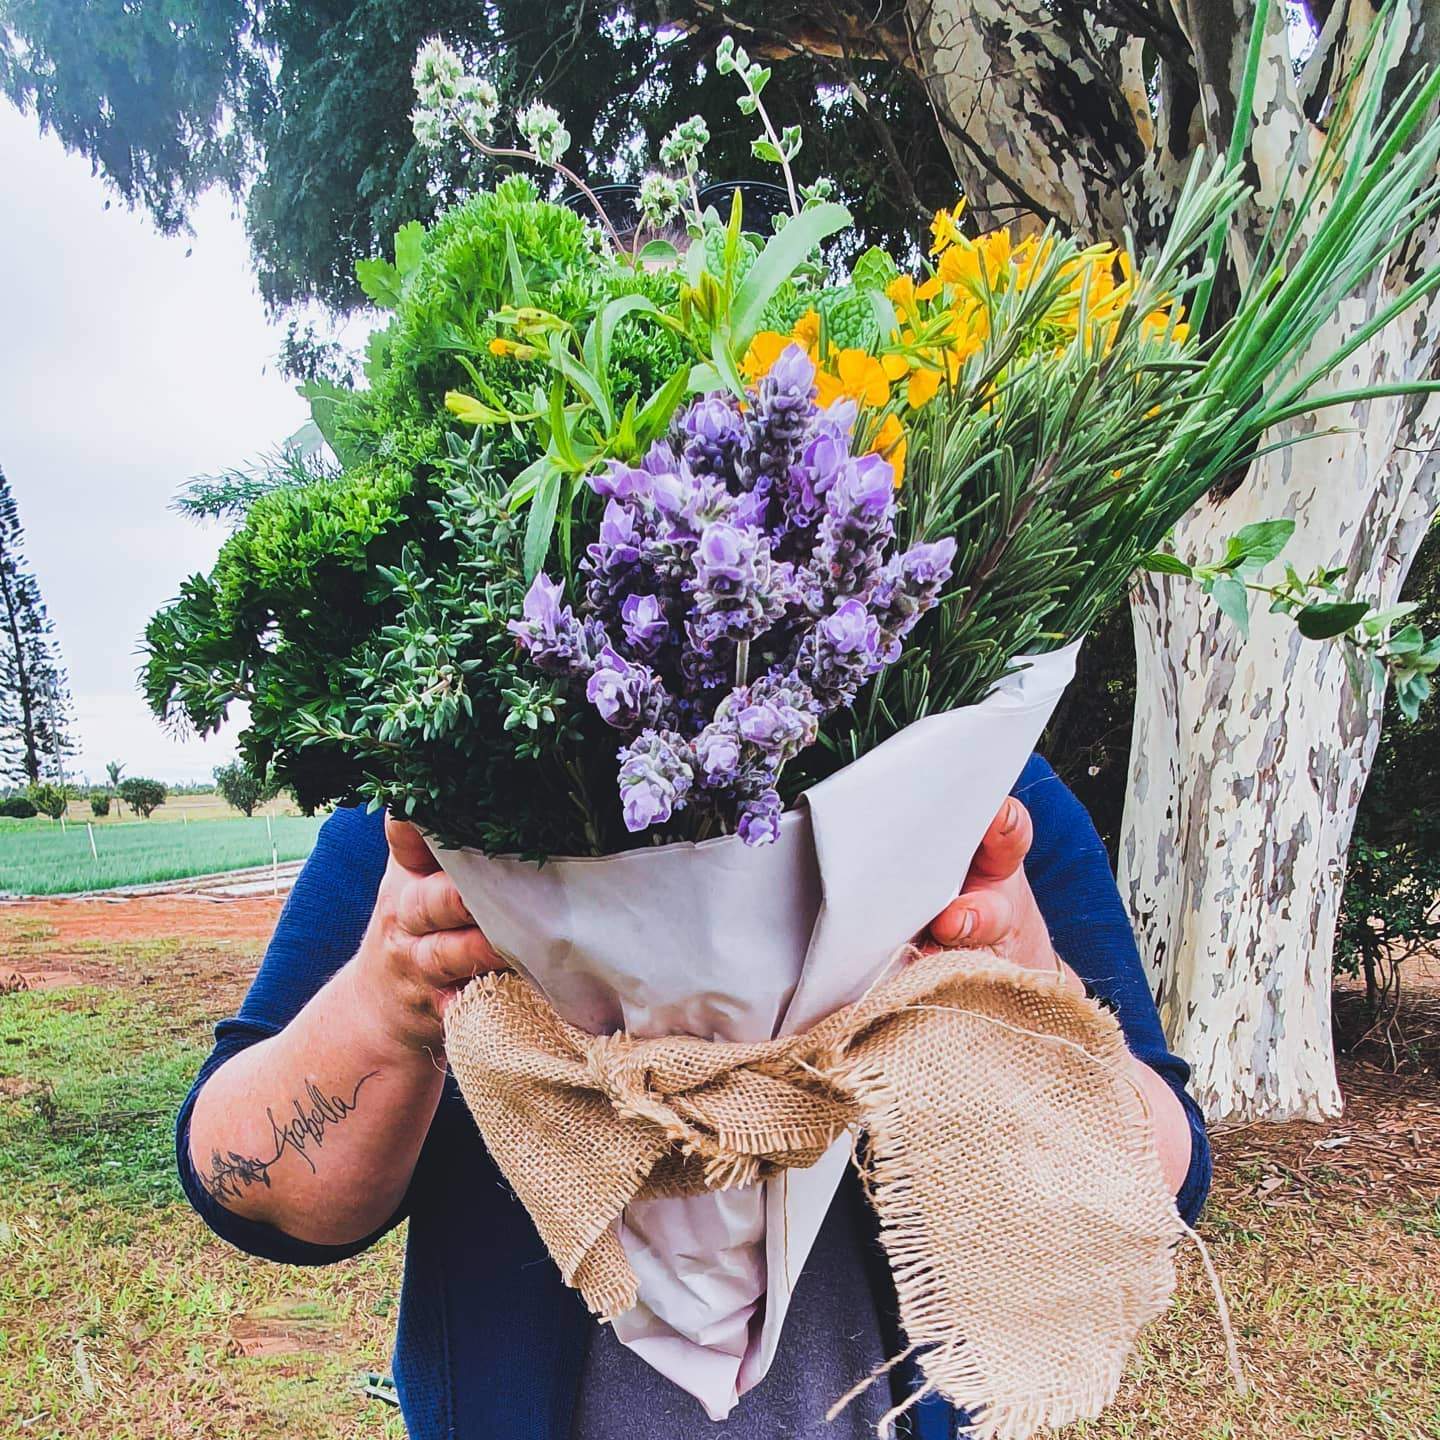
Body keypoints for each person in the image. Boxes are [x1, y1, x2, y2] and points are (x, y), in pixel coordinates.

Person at [178, 754, 1209, 1439]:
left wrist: (1012, 967)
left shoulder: (974, 786)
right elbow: (250, 1182)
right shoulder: (444, 787)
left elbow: (1163, 1182)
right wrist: (393, 990)